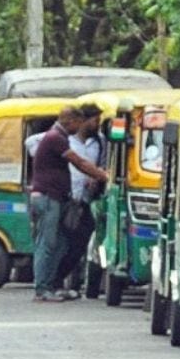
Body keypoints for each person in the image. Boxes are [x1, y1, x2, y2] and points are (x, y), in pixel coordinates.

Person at [30, 107, 108, 303]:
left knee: (62, 242)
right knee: (47, 243)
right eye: (78, 123)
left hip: (58, 198)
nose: (79, 127)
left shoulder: (60, 137)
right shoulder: (55, 138)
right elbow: (79, 162)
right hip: (48, 197)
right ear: (70, 120)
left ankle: (52, 284)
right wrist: (103, 175)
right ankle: (41, 288)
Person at [51, 103, 107, 299]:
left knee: (80, 243)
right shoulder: (63, 139)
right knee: (62, 242)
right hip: (67, 197)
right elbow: (32, 144)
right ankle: (55, 281)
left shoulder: (99, 141)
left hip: (86, 200)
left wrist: (97, 177)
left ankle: (63, 279)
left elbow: (102, 164)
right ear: (83, 121)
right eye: (95, 121)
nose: (97, 125)